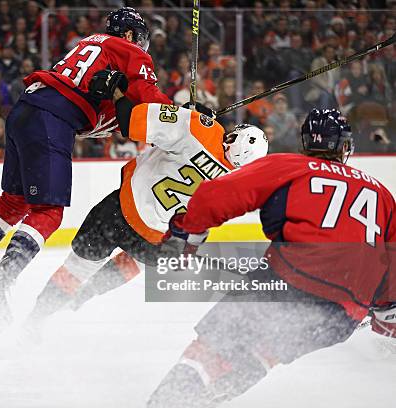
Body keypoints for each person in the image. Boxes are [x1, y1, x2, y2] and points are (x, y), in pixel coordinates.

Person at [0, 7, 172, 332]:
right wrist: (185, 117)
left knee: (14, 200)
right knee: (50, 212)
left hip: (25, 109)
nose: (142, 49)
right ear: (131, 35)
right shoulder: (129, 51)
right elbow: (154, 104)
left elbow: (123, 116)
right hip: (53, 119)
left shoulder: (92, 45)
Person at [150, 109, 395, 407]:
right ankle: (202, 401)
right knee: (264, 352)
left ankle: (167, 402)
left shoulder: (290, 166)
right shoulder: (382, 195)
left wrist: (187, 233)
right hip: (342, 314)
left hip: (288, 280)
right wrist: (385, 311)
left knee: (213, 346)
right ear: (345, 146)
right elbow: (391, 266)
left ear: (305, 142)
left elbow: (217, 194)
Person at [25, 74, 268, 335]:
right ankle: (86, 296)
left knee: (78, 267)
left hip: (118, 213)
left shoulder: (201, 129)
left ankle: (37, 318)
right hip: (154, 239)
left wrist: (122, 94)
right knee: (143, 260)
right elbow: (197, 230)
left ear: (233, 140)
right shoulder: (233, 186)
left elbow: (133, 123)